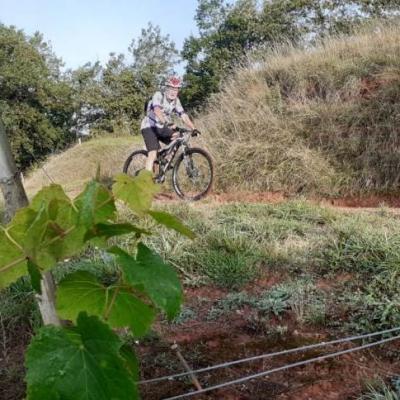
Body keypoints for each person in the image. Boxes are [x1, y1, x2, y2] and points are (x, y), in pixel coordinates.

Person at [140, 76, 197, 172]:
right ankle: (146, 178)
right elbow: (157, 110)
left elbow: (183, 115)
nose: (173, 92)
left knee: (178, 137)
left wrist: (193, 128)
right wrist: (167, 122)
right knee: (153, 154)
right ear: (166, 88)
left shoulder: (176, 101)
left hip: (162, 127)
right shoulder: (158, 95)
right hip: (149, 126)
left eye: (176, 89)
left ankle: (165, 160)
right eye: (171, 88)